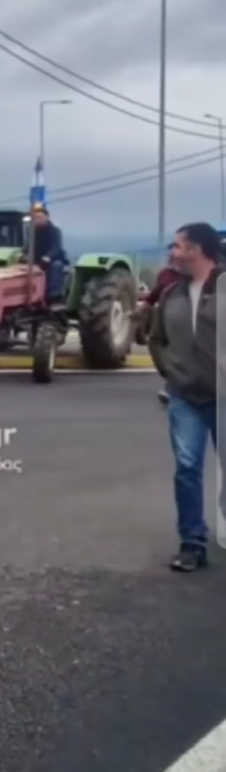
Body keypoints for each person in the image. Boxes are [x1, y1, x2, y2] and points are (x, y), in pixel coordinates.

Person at [148, 221, 222, 573]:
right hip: (185, 397)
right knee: (187, 469)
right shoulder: (171, 294)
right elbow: (156, 340)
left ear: (196, 250)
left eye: (177, 246)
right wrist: (171, 372)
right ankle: (192, 544)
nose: (172, 253)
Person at [143, 246, 181, 406]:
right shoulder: (165, 274)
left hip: (184, 319)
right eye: (170, 253)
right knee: (156, 345)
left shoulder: (194, 275)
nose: (171, 256)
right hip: (165, 316)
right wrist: (142, 308)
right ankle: (171, 381)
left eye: (176, 251)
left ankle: (173, 387)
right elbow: (156, 294)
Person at [30, 204, 67, 303]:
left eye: (40, 217)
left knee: (56, 266)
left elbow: (56, 247)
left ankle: (54, 295)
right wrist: (24, 254)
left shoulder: (55, 231)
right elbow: (27, 246)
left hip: (53, 259)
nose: (38, 219)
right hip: (36, 259)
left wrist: (48, 257)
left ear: (46, 217)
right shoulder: (32, 232)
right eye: (36, 217)